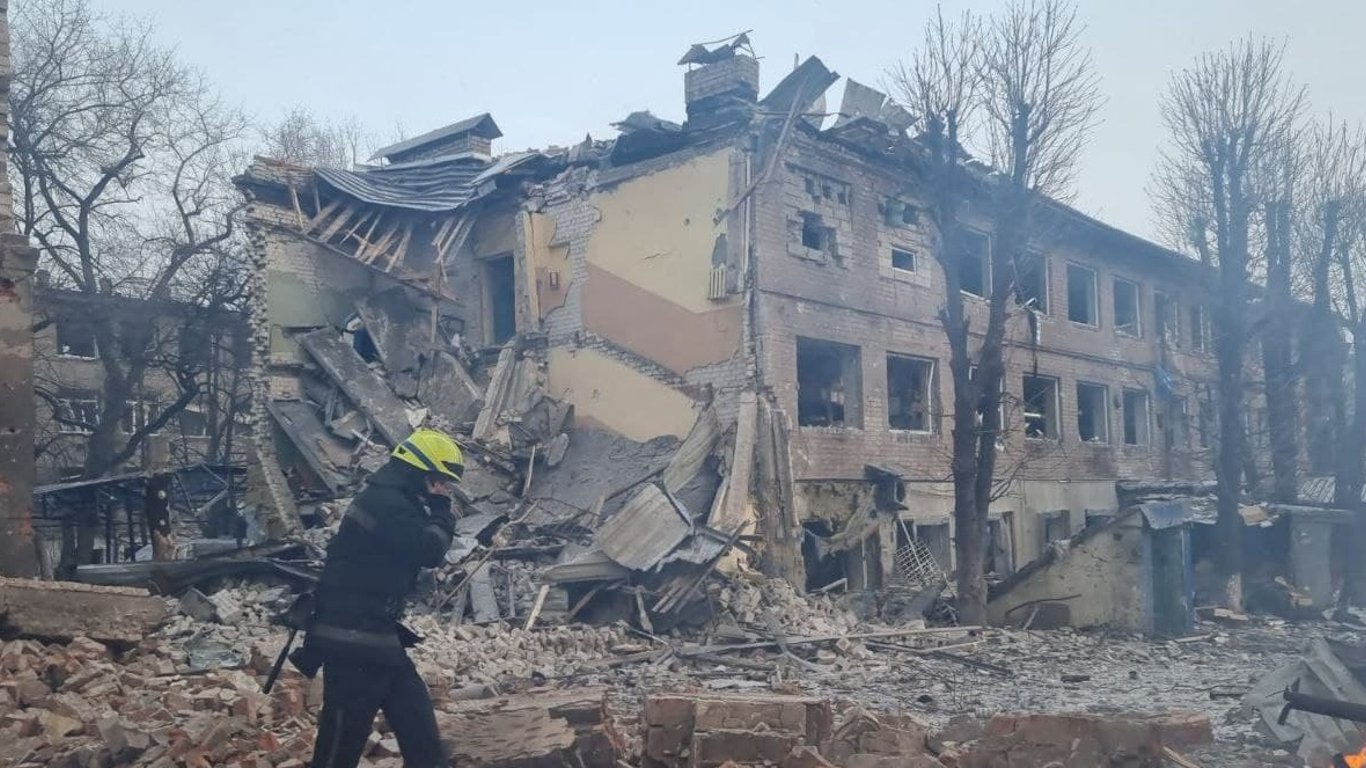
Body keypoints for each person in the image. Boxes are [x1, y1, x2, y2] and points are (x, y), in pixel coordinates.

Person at [301, 428, 465, 768]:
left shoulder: (396, 501)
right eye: (438, 480)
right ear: (419, 472)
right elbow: (430, 549)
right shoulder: (385, 504)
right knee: (339, 749)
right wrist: (441, 509)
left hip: (378, 639)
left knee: (422, 735)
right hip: (352, 642)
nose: (442, 488)